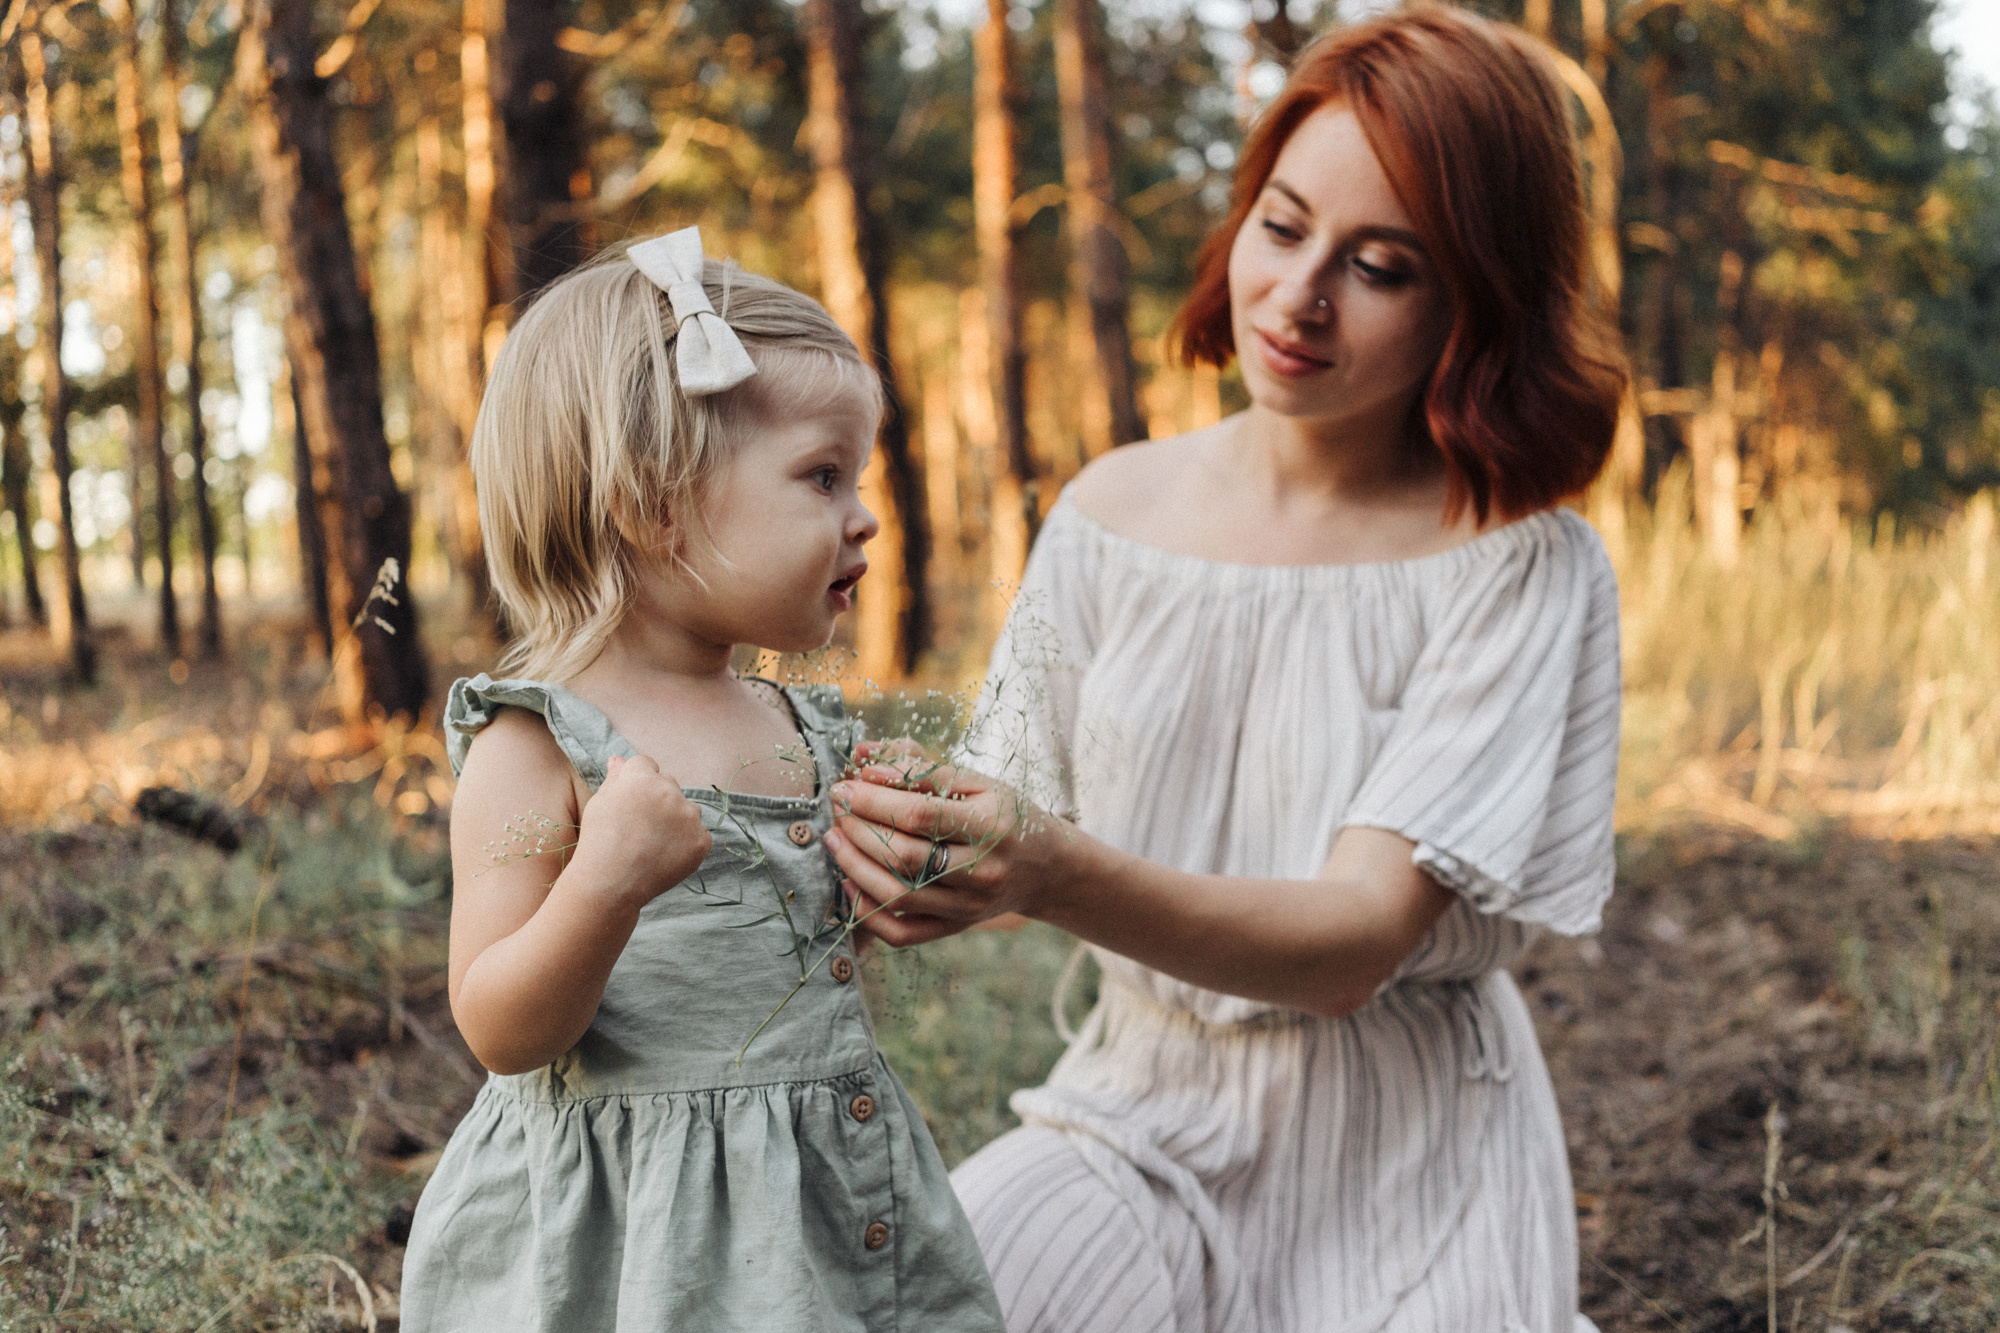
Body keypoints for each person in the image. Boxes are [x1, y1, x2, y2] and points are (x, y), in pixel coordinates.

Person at [823, 10, 1626, 1332]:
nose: (1300, 298)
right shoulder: (1105, 515)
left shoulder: (1521, 564)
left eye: (1380, 266)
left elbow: (1355, 945)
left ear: (1479, 299)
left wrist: (1049, 866)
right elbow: (1002, 830)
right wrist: (900, 855)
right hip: (1132, 1114)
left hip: (1412, 1157)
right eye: (1281, 224)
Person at [398, 228, 1006, 1333]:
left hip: (811, 1197)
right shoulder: (536, 745)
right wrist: (602, 886)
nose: (864, 514)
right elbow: (497, 1022)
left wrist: (889, 880)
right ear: (654, 503)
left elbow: (800, 960)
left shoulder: (796, 726)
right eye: (822, 475)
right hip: (637, 1235)